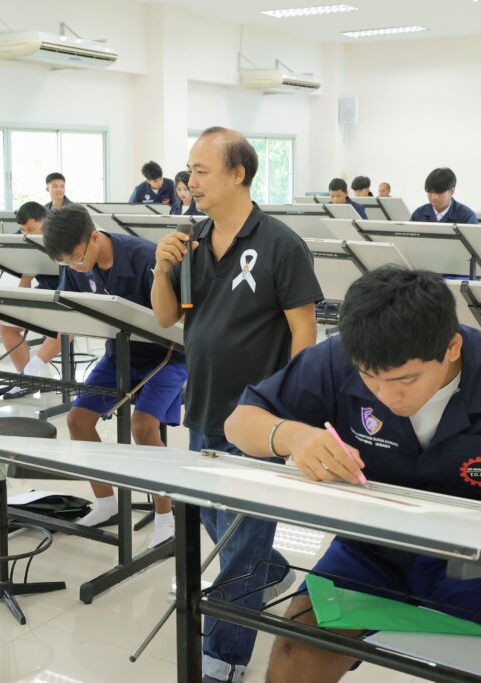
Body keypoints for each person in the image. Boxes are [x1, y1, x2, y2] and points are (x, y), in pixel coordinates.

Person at [223, 266, 481, 683]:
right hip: (371, 548)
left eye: (406, 379)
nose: (387, 396)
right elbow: (240, 422)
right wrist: (292, 435)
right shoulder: (338, 357)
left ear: (452, 347)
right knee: (296, 652)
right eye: (370, 379)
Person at [151, 127, 322, 683]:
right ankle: (270, 570)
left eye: (201, 171)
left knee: (241, 544)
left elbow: (304, 332)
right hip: (203, 405)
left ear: (237, 173)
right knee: (215, 521)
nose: (190, 181)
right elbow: (166, 317)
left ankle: (225, 658)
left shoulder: (280, 244)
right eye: (189, 170)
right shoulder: (192, 239)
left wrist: (290, 409)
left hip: (256, 418)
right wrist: (160, 269)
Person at [42, 204, 187, 549]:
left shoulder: (145, 257)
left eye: (77, 257)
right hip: (117, 354)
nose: (75, 266)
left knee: (143, 427)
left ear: (94, 237)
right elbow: (71, 310)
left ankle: (166, 518)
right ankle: (107, 502)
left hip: (167, 356)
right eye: (66, 262)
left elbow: (179, 320)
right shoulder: (76, 266)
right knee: (78, 421)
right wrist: (38, 358)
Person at [0, 201, 65, 397]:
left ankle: (29, 372)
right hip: (42, 293)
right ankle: (26, 379)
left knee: (64, 327)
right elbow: (25, 290)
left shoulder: (62, 238)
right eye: (22, 230)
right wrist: (26, 277)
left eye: (30, 229)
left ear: (45, 223)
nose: (25, 234)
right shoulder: (24, 241)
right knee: (7, 325)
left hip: (69, 293)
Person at [409, 167, 478, 224]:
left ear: (451, 191)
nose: (434, 197)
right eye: (430, 192)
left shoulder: (467, 217)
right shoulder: (418, 215)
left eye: (439, 192)